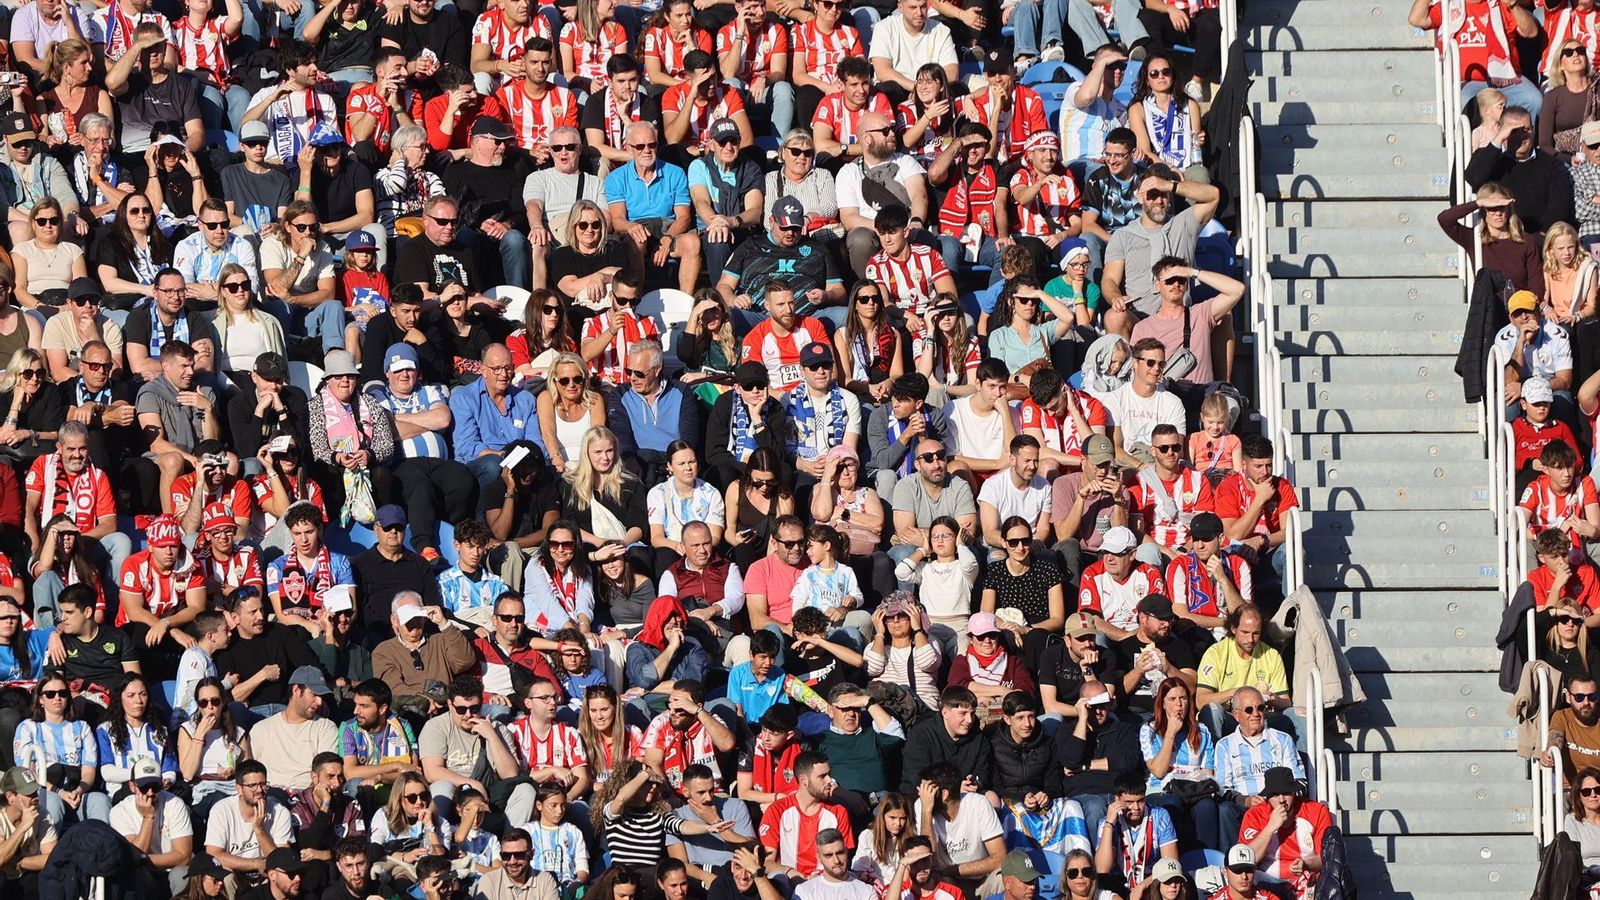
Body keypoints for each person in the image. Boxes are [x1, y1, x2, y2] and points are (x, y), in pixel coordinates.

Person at [365, 345, 477, 562]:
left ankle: (457, 531)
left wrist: (400, 419)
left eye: (409, 369)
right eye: (397, 370)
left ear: (417, 371)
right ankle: (425, 545)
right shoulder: (379, 396)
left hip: (437, 461)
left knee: (463, 478)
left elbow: (443, 419)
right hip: (403, 462)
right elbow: (387, 430)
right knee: (419, 485)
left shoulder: (428, 391)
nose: (404, 375)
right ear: (387, 372)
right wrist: (428, 421)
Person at [1099, 172, 1220, 338]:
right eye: (1152, 195)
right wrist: (1116, 298)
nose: (1158, 201)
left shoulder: (1183, 224)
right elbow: (1109, 279)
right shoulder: (1123, 236)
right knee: (1113, 317)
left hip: (1180, 317)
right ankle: (1129, 364)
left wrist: (1170, 184)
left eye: (1163, 195)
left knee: (1224, 317)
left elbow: (1213, 195)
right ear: (1140, 198)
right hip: (1141, 319)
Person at [419, 675, 536, 825]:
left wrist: (492, 737)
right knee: (441, 787)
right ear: (450, 704)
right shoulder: (436, 726)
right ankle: (441, 841)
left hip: (489, 794)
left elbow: (510, 774)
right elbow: (432, 772)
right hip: (456, 792)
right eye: (461, 709)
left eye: (474, 709)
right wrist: (472, 784)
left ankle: (510, 842)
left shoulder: (497, 729)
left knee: (525, 790)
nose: (468, 715)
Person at [605, 121, 703, 293]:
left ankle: (685, 304)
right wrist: (632, 226)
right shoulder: (616, 178)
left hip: (668, 228)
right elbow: (618, 219)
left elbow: (684, 217)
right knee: (637, 240)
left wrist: (668, 238)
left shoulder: (676, 173)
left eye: (652, 145)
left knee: (692, 243)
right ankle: (636, 298)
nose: (647, 150)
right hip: (638, 230)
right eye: (640, 146)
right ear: (629, 148)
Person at [720, 196, 846, 328]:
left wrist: (827, 295)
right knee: (730, 316)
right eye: (784, 227)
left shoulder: (818, 248)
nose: (790, 233)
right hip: (760, 318)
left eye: (795, 227)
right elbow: (723, 285)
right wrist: (733, 299)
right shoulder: (751, 246)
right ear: (772, 221)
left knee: (847, 316)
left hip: (809, 319)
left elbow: (839, 291)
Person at [836, 111, 932, 277]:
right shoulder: (848, 172)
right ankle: (870, 293)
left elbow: (919, 196)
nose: (893, 134)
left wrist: (915, 221)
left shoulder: (905, 161)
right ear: (867, 138)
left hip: (906, 227)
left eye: (893, 129)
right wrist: (885, 229)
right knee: (859, 239)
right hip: (872, 230)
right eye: (885, 131)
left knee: (921, 235)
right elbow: (849, 217)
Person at [1463, 107, 1575, 235]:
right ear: (1501, 130)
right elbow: (1474, 179)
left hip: (1538, 238)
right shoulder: (1488, 157)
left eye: (1526, 130)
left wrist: (1539, 238)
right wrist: (1498, 140)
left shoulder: (1553, 165)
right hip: (1497, 237)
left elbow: (1559, 207)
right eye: (1514, 131)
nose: (1521, 136)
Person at [1238, 767, 1331, 899]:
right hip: (1269, 881)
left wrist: (1306, 865)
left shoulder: (1316, 811)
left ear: (1294, 792)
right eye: (1275, 795)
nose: (1282, 799)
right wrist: (1270, 827)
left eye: (1286, 793)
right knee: (1248, 879)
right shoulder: (1255, 815)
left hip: (1309, 880)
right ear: (1267, 797)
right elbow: (1246, 861)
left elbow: (1326, 856)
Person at [373, 594, 477, 706]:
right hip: (409, 711)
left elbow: (465, 661)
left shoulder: (440, 640)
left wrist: (444, 624)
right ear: (394, 620)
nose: (414, 621)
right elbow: (393, 688)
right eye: (407, 616)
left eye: (417, 615)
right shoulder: (384, 651)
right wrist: (424, 701)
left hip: (446, 708)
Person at [204, 761, 294, 878]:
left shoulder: (280, 812)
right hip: (235, 874)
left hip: (268, 876)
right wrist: (255, 864)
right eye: (252, 786)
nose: (259, 790)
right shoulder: (221, 810)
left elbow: (282, 862)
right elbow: (213, 855)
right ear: (239, 789)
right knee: (227, 878)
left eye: (263, 784)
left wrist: (260, 830)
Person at [1106, 339, 1184, 460]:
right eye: (1151, 362)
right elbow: (1115, 449)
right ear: (1135, 363)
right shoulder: (1115, 399)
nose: (1157, 368)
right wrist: (1142, 467)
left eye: (1161, 364)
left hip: (1160, 467)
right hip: (1127, 467)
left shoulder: (1173, 403)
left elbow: (1176, 450)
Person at [477, 827, 561, 900]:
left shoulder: (545, 881)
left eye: (519, 855)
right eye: (506, 856)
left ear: (531, 854)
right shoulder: (489, 881)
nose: (512, 861)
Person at [794, 828, 877, 900]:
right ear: (819, 858)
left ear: (846, 851)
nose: (836, 861)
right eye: (829, 855)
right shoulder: (804, 891)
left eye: (840, 853)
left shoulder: (866, 892)